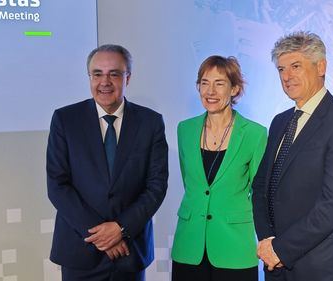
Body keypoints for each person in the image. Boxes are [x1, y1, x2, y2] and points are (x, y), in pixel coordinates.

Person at [46, 44, 168, 281]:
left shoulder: (150, 122)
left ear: (128, 78)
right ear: (89, 77)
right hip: (80, 251)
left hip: (129, 251)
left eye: (114, 73)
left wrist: (120, 229)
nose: (105, 82)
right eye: (97, 74)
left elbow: (156, 187)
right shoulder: (65, 119)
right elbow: (57, 185)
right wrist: (102, 236)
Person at [252, 31, 333, 281]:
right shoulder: (280, 122)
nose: (287, 77)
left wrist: (281, 249)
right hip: (276, 267)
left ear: (321, 66)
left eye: (295, 66)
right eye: (281, 69)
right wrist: (267, 241)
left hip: (323, 267)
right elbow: (261, 186)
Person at [171, 55, 267, 281]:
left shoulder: (255, 134)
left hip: (234, 246)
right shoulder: (185, 130)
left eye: (219, 83)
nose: (210, 91)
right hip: (189, 244)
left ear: (234, 89)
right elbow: (191, 183)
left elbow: (259, 192)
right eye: (204, 83)